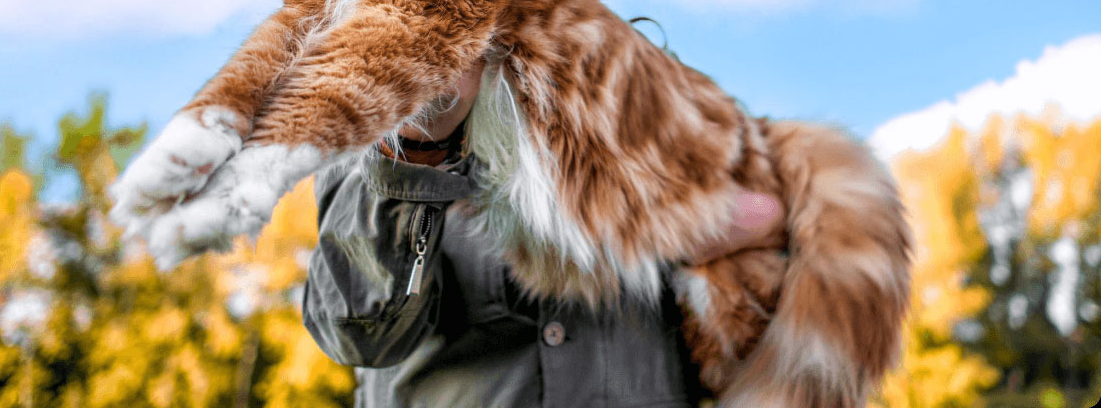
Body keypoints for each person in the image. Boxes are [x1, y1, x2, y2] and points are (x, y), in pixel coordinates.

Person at [302, 58, 785, 408]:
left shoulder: (656, 87)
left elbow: (769, 215)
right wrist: (417, 144)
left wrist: (740, 224)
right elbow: (357, 334)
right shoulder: (368, 97)